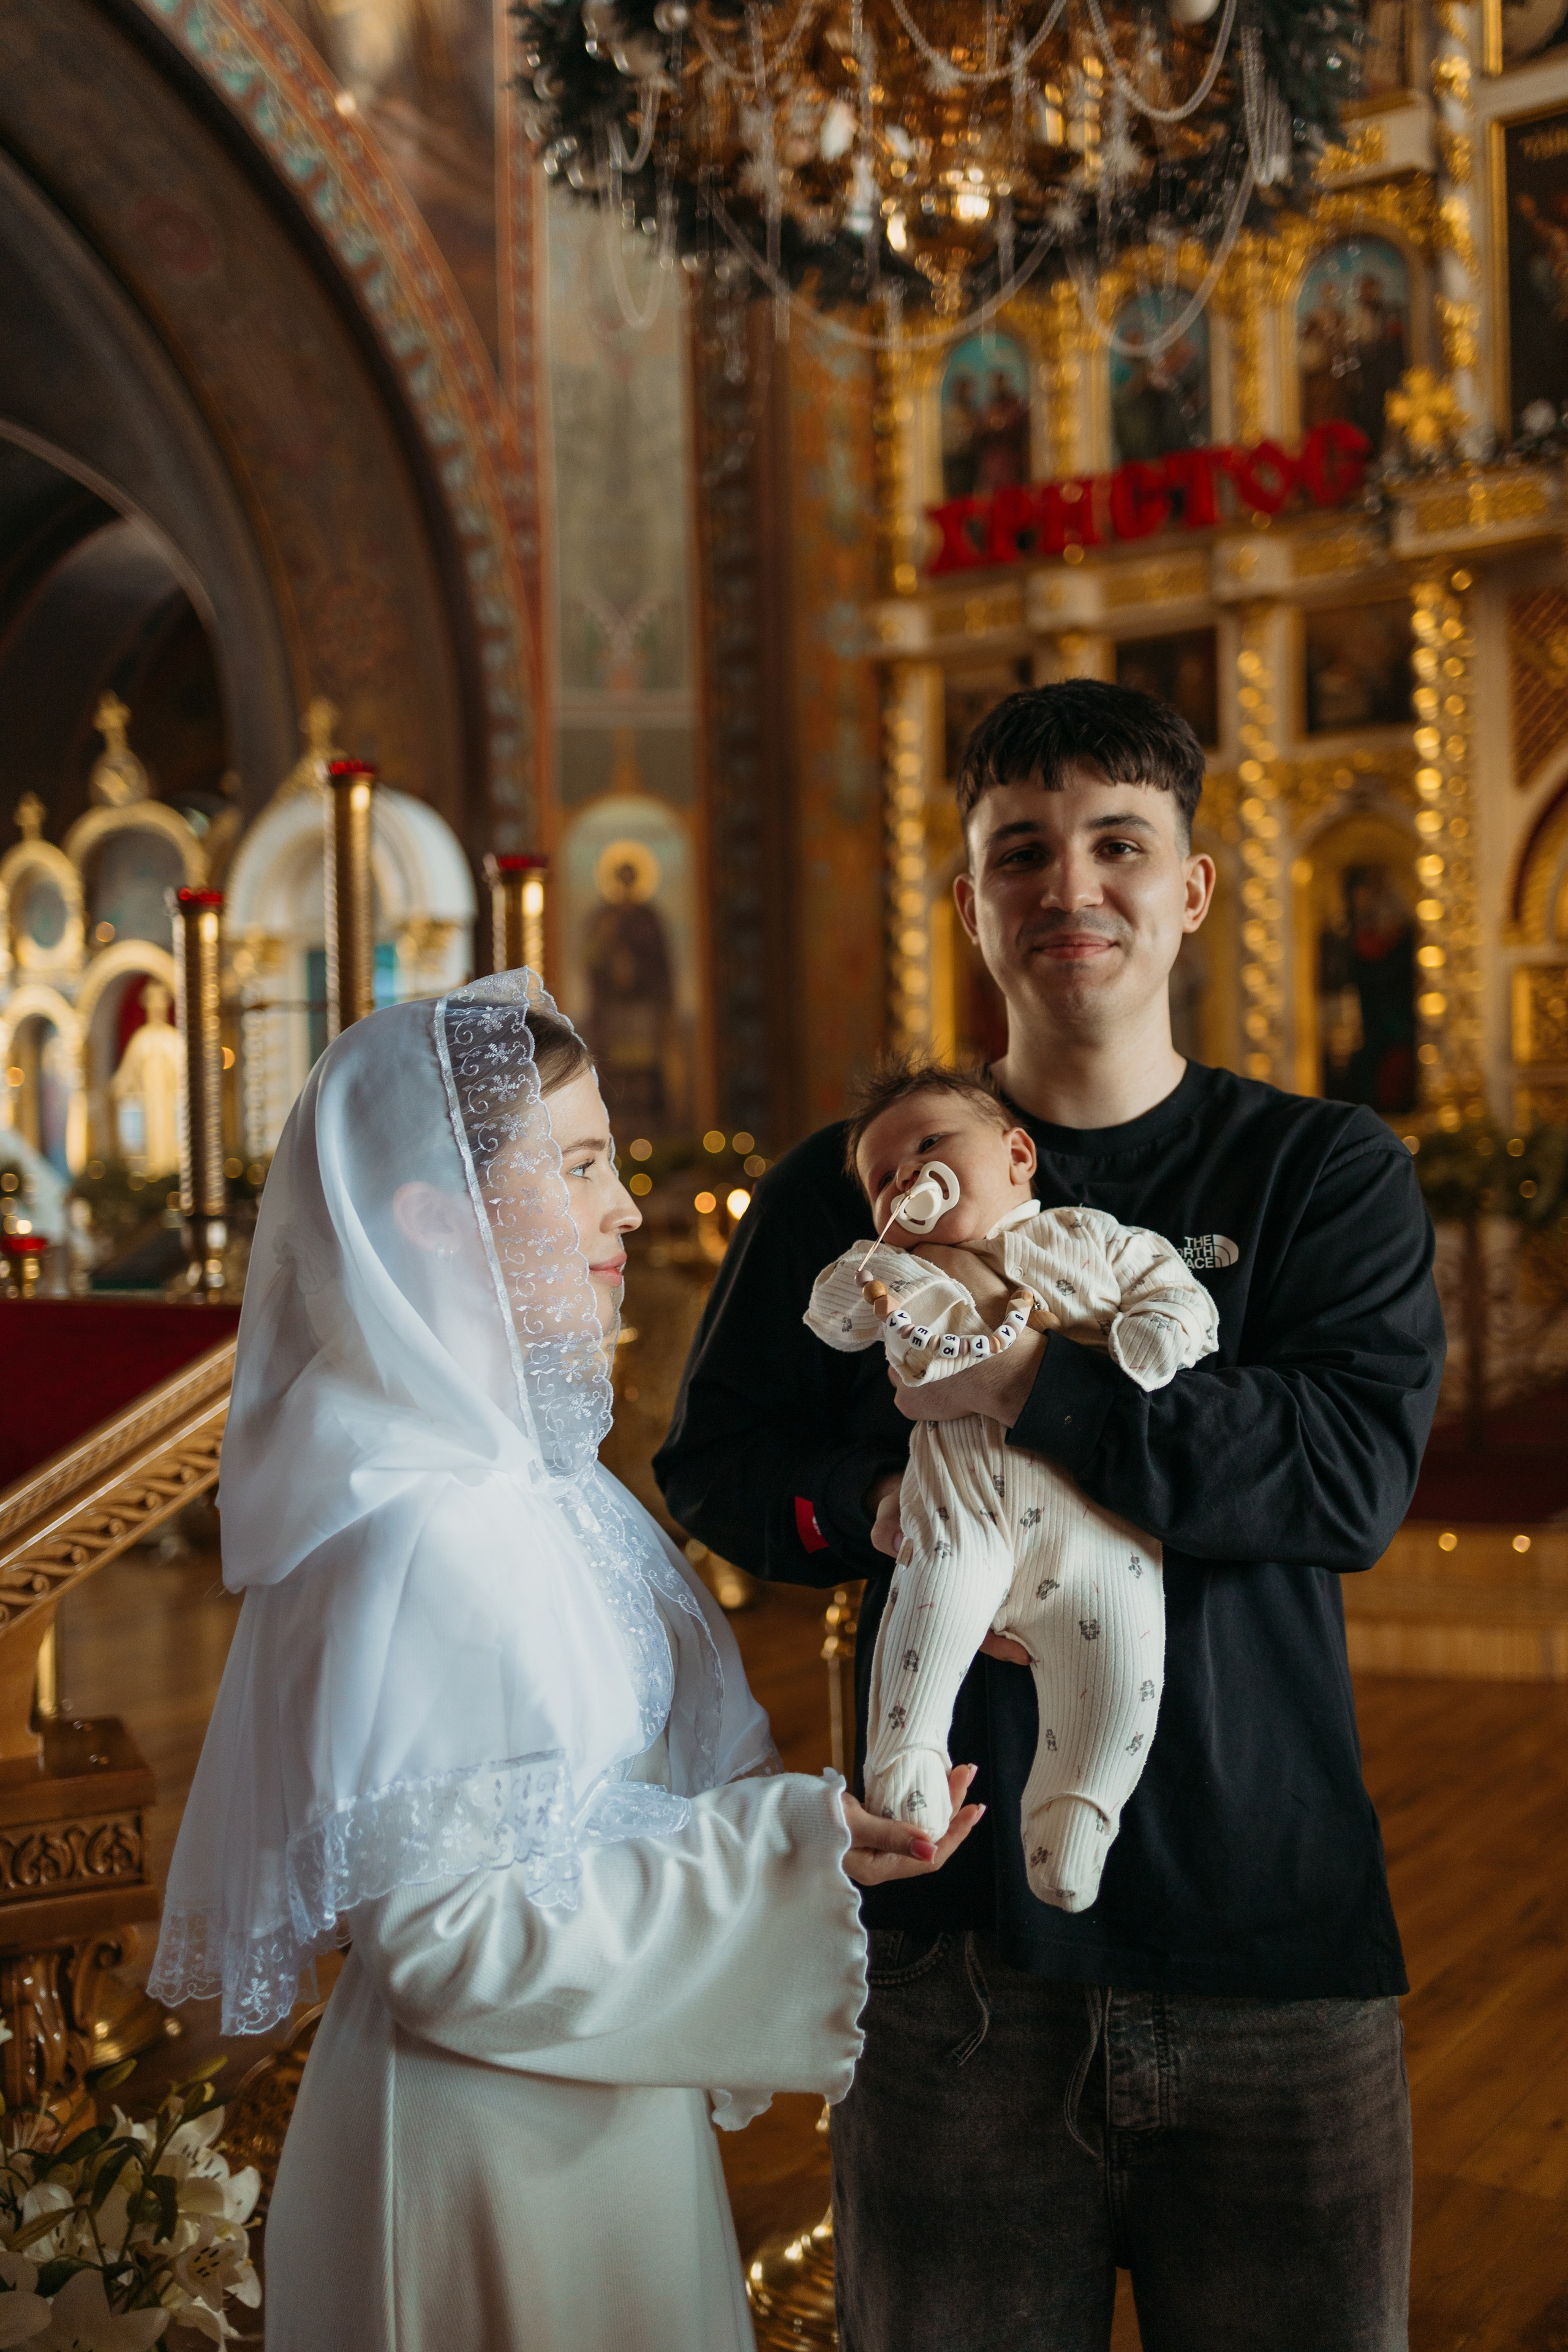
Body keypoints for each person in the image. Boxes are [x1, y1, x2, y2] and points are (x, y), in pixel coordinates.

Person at [655, 679, 1444, 2351]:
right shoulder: (842, 1183)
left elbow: (1345, 1477)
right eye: (1020, 852)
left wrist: (1030, 1386)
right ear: (968, 902)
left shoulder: (1321, 1174)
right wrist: (889, 1508)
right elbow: (718, 1462)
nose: (1068, 888)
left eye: (1117, 844)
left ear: (1192, 887)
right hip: (956, 1971)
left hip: (1270, 1945)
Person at [149, 973, 980, 2352]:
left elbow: (571, 1823)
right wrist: (787, 1849)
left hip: (583, 2087)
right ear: (435, 1215)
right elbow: (450, 1939)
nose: (624, 1210)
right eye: (579, 1165)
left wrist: (807, 1837)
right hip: (484, 2156)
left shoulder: (523, 1486)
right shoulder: (420, 1525)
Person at [804, 1061, 1217, 1911]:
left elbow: (1177, 1291)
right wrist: (888, 1248)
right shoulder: (903, 1278)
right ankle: (907, 1762)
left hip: (1094, 1522)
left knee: (1125, 1661)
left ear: (1018, 1156)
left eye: (930, 1145)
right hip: (961, 1514)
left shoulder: (1091, 1238)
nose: (910, 1174)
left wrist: (1156, 1329)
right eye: (885, 1180)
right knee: (929, 1607)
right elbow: (835, 1317)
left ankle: (1077, 1811)